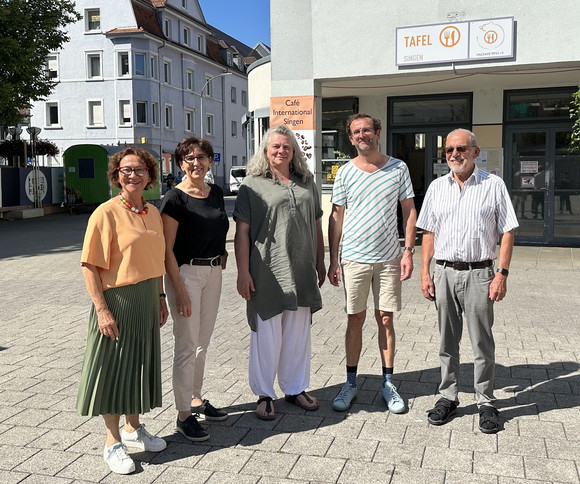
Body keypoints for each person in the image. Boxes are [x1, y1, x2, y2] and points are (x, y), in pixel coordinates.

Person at [416, 128, 518, 434]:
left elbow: (508, 231)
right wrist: (425, 272)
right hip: (445, 272)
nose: (454, 155)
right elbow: (429, 233)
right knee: (447, 341)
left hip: (481, 273)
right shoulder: (437, 187)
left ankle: (486, 400)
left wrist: (501, 274)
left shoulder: (493, 185)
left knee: (481, 342)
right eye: (448, 150)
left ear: (475, 151)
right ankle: (448, 396)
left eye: (461, 149)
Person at [76, 146, 168, 475]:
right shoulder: (106, 213)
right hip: (117, 300)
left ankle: (133, 429)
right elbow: (89, 266)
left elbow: (157, 261)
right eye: (125, 170)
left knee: (138, 366)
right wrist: (102, 310)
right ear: (116, 176)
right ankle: (112, 441)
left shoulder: (153, 213)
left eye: (139, 169)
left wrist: (160, 296)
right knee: (114, 370)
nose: (132, 175)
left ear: (150, 176)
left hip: (145, 298)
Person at [234, 125, 325, 420]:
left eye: (287, 147)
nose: (281, 151)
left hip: (301, 269)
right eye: (275, 146)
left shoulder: (306, 182)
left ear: (294, 151)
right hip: (267, 270)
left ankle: (295, 388)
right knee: (267, 334)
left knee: (298, 332)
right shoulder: (252, 185)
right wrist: (242, 272)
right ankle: (264, 393)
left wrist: (321, 261)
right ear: (265, 150)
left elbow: (315, 224)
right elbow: (242, 232)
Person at [328, 113, 417, 414]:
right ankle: (351, 383)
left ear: (378, 133)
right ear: (351, 139)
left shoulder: (398, 168)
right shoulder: (344, 173)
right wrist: (333, 259)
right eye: (357, 132)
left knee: (386, 319)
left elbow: (409, 210)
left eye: (367, 130)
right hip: (354, 258)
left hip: (389, 258)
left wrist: (408, 252)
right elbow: (336, 217)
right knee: (355, 319)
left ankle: (388, 383)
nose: (363, 135)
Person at [160, 137, 229, 442]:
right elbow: (166, 250)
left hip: (213, 273)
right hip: (185, 274)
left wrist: (221, 251)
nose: (196, 163)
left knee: (203, 342)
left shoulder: (215, 193)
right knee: (187, 346)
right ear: (180, 164)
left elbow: (217, 226)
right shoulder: (174, 199)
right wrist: (178, 289)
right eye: (189, 159)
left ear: (211, 160)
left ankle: (196, 399)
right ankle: (183, 415)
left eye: (202, 157)